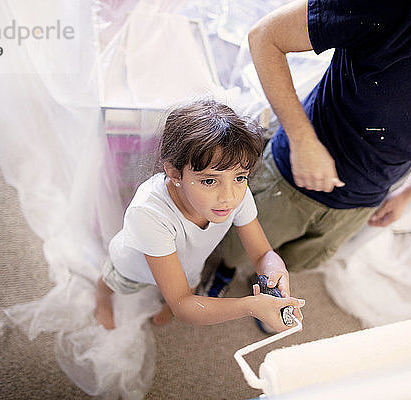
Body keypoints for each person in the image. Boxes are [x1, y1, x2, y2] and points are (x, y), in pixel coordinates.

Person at [221, 0, 411, 271]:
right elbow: (265, 36)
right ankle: (226, 270)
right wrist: (303, 140)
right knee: (236, 250)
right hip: (290, 179)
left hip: (364, 201)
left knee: (298, 262)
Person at [95, 99, 305, 332]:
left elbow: (263, 253)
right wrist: (249, 306)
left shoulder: (237, 195)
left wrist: (275, 271)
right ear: (174, 172)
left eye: (240, 177)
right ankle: (101, 299)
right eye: (209, 180)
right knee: (113, 283)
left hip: (190, 263)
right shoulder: (148, 214)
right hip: (134, 267)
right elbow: (184, 308)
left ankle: (170, 298)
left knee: (184, 290)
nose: (229, 197)